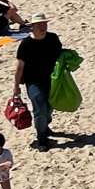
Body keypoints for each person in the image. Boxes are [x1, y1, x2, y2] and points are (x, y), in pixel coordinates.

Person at [13, 13, 63, 150]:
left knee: (49, 108)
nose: (43, 27)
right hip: (34, 82)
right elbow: (19, 67)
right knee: (39, 110)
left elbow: (60, 55)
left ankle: (45, 126)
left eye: (44, 24)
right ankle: (42, 138)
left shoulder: (53, 38)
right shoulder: (26, 44)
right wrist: (16, 87)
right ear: (32, 27)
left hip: (53, 80)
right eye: (39, 25)